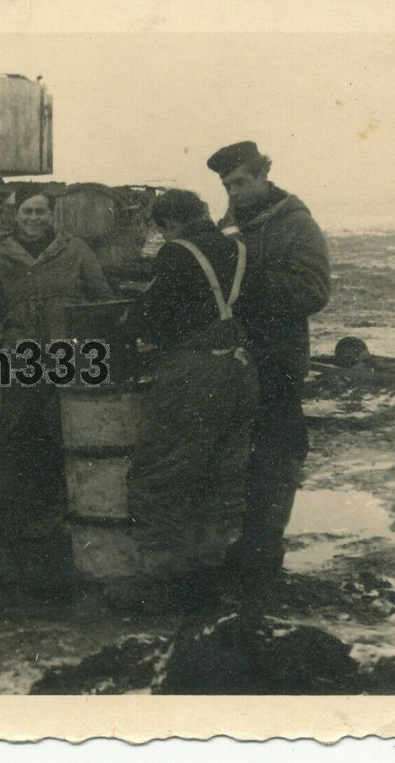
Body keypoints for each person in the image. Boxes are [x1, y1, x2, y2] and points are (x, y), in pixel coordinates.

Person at [123, 190, 259, 598]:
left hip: (194, 375)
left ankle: (159, 583)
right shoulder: (239, 247)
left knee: (159, 476)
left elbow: (155, 321)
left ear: (168, 224)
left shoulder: (178, 253)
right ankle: (209, 577)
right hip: (239, 367)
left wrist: (131, 317)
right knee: (221, 476)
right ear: (201, 212)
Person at [206, 141, 331, 577]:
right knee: (234, 452)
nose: (233, 192)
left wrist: (249, 281)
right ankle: (238, 543)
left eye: (240, 182)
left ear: (263, 175)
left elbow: (314, 292)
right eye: (226, 185)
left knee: (275, 452)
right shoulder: (230, 223)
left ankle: (264, 551)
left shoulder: (297, 225)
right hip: (234, 358)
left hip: (277, 358)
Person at [0, 192, 114, 548]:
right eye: (27, 211)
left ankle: (72, 515)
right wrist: (7, 344)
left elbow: (102, 299)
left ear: (52, 216)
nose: (34, 218)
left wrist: (88, 345)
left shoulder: (76, 251)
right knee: (13, 433)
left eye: (41, 212)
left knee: (68, 432)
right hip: (23, 359)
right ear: (16, 215)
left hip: (70, 357)